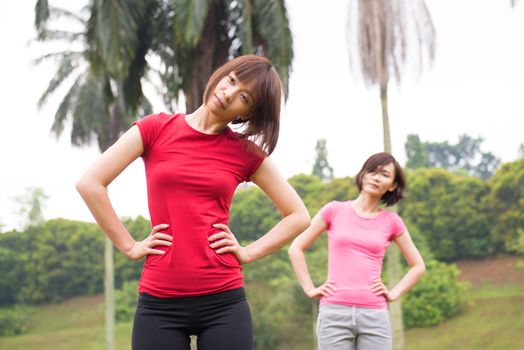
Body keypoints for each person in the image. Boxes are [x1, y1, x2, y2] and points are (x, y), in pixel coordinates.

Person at [76, 54, 310, 350]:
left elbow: (298, 215)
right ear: (221, 75)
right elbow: (90, 183)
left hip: (224, 302)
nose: (228, 94)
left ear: (247, 114)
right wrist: (129, 245)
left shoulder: (245, 153)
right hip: (159, 303)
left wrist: (249, 252)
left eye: (243, 97)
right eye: (231, 80)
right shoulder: (155, 128)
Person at [288, 152, 426, 350]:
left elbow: (418, 266)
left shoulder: (392, 222)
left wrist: (394, 293)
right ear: (363, 174)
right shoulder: (333, 210)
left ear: (393, 185)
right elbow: (296, 248)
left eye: (385, 174)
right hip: (334, 313)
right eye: (372, 171)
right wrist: (310, 289)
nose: (376, 177)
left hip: (374, 316)